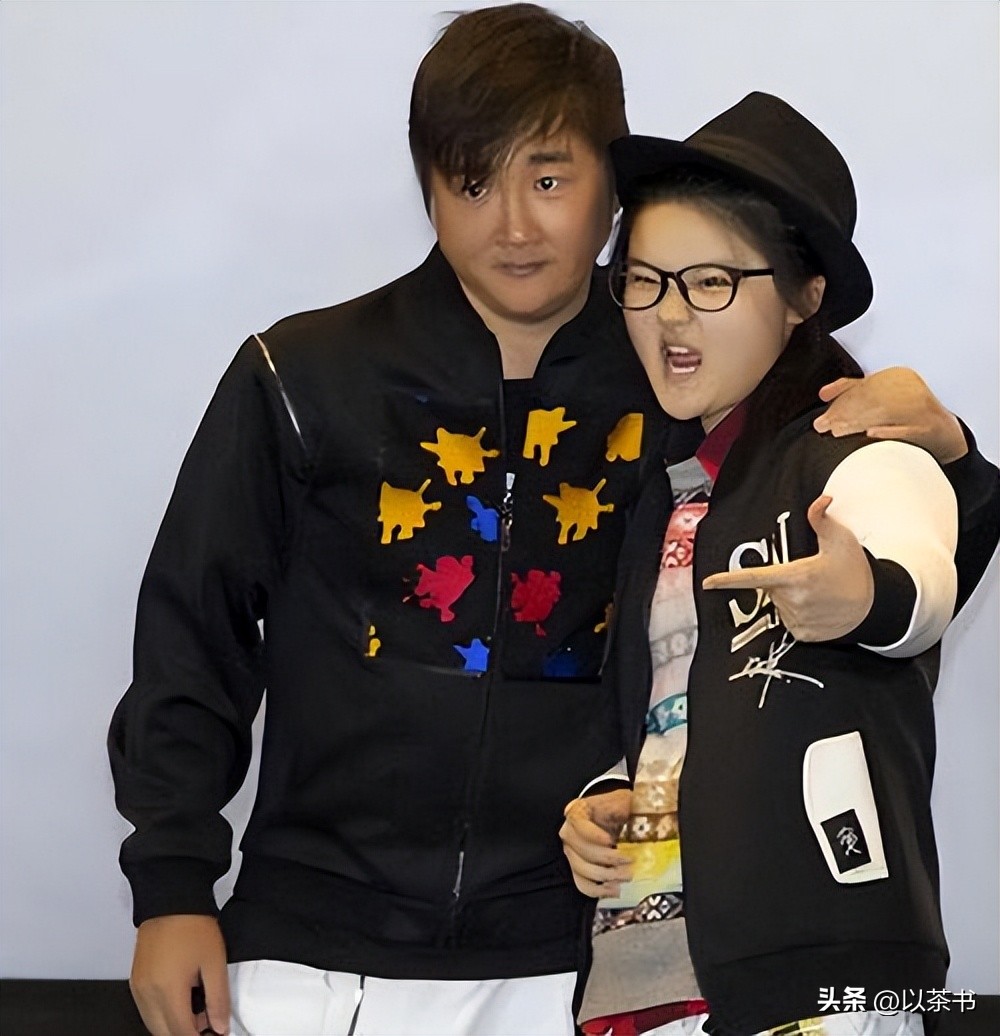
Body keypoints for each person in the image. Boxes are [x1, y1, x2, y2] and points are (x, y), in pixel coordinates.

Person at [109, 7, 997, 1036]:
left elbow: (889, 557)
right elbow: (194, 631)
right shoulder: (306, 375)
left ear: (611, 191)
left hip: (570, 960)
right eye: (470, 184)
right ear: (426, 186)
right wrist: (171, 885)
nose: (513, 227)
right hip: (310, 947)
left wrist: (953, 457)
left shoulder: (688, 372)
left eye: (547, 179)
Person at [560, 93, 1000, 1036]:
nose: (671, 315)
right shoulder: (667, 491)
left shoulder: (854, 440)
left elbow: (921, 575)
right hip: (649, 975)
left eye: (711, 282)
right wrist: (605, 803)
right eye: (645, 280)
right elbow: (663, 711)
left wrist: (865, 596)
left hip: (820, 978)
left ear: (804, 296)